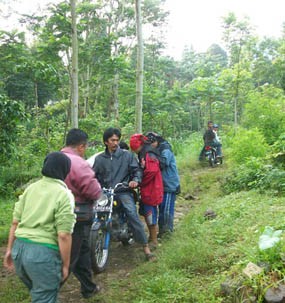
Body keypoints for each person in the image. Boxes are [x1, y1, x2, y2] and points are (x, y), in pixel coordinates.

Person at [4, 152, 76, 303]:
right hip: (42, 255)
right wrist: (66, 265)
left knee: (39, 294)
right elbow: (63, 235)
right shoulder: (64, 195)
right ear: (66, 171)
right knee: (45, 296)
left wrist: (10, 250)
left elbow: (15, 222)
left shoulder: (31, 188)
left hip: (20, 251)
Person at [92, 127, 155, 261]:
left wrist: (135, 180)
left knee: (132, 213)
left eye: (117, 140)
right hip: (105, 193)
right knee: (93, 213)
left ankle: (146, 248)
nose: (115, 143)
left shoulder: (127, 156)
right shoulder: (99, 159)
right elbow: (93, 176)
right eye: (112, 140)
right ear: (105, 142)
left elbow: (137, 170)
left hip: (123, 191)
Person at [61, 128, 102, 299]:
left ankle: (89, 287)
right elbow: (93, 190)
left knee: (83, 250)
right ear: (81, 146)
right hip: (78, 214)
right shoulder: (79, 163)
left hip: (58, 212)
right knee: (70, 257)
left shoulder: (56, 158)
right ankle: (47, 292)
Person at [129, 134, 163, 248]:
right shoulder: (144, 153)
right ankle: (151, 237)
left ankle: (154, 240)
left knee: (150, 214)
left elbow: (152, 171)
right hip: (148, 189)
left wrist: (140, 182)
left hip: (151, 189)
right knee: (147, 213)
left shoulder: (149, 154)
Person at [145, 132, 180, 238]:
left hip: (169, 184)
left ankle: (167, 232)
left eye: (152, 144)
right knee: (161, 209)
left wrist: (152, 153)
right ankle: (162, 232)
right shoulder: (158, 149)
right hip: (161, 185)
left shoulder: (165, 148)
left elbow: (163, 163)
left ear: (156, 141)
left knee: (166, 209)